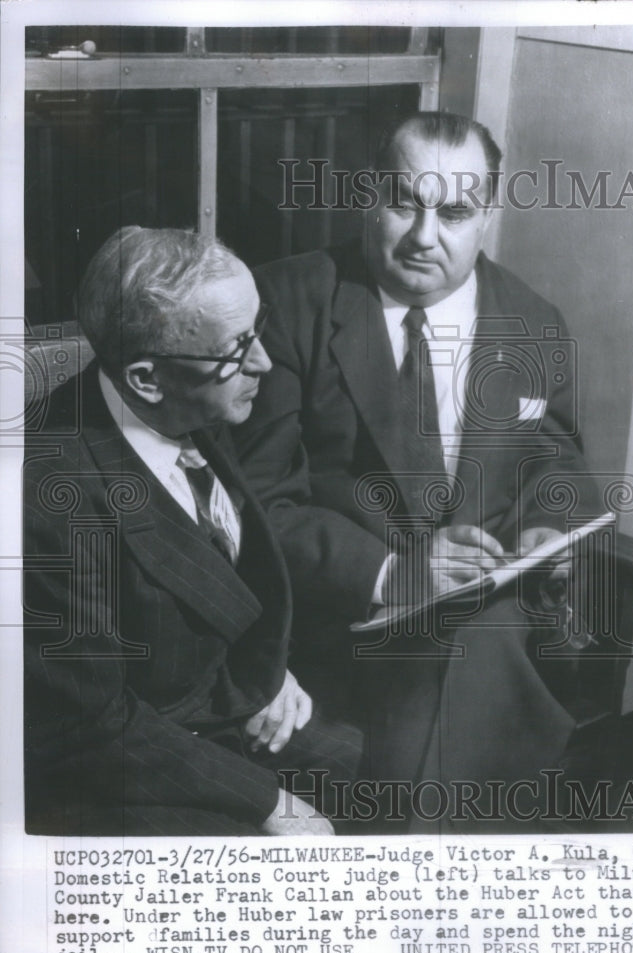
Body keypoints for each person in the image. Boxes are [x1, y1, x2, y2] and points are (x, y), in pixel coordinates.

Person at [233, 112, 600, 830]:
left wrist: (547, 529)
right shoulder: (287, 303)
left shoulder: (534, 321)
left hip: (488, 606)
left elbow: (556, 459)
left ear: (488, 216)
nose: (423, 236)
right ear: (369, 195)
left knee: (466, 637)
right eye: (404, 201)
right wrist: (397, 573)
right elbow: (256, 501)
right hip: (341, 612)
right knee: (461, 652)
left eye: (455, 212)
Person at [24, 226, 361, 836]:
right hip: (124, 768)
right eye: (238, 349)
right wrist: (268, 803)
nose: (263, 361)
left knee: (384, 766)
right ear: (147, 379)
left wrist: (269, 668)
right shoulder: (52, 498)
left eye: (259, 330)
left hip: (218, 702)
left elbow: (227, 571)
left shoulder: (190, 397)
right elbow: (90, 729)